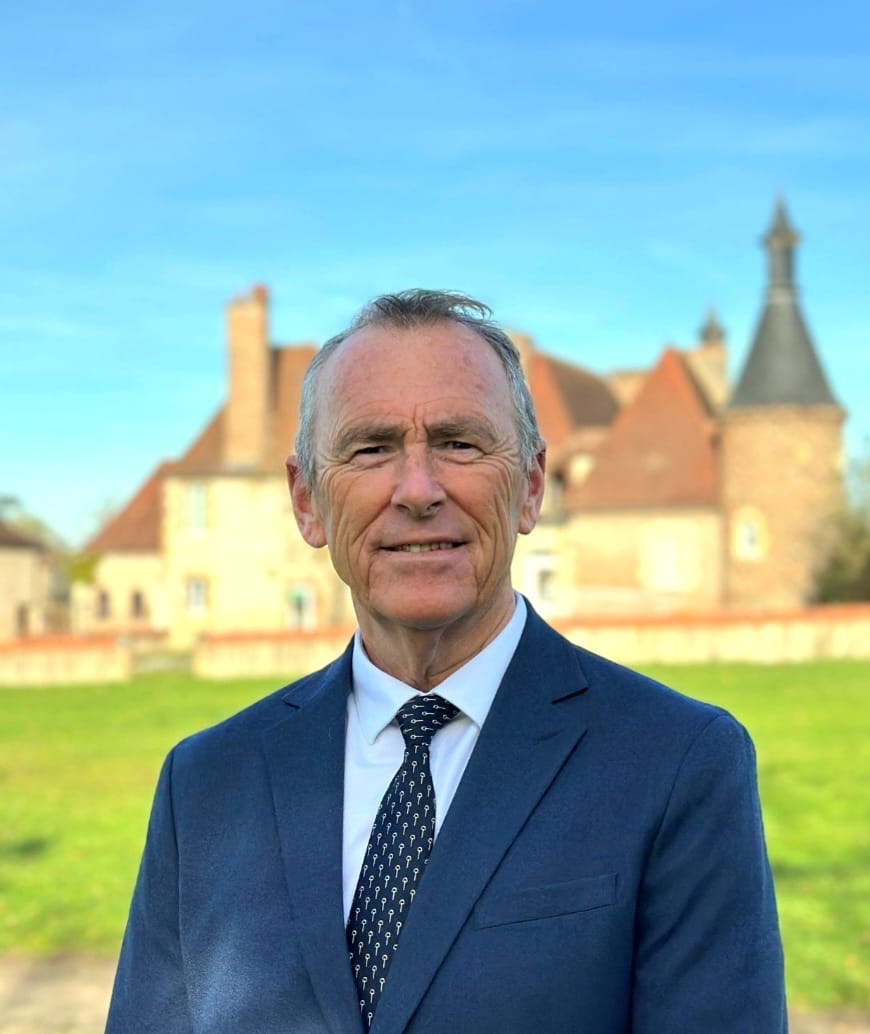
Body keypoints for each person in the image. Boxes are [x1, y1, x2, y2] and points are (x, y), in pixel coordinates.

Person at [106, 290, 787, 1033]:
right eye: (370, 449)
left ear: (530, 486)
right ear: (307, 502)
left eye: (460, 444)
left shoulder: (676, 762)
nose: (418, 490)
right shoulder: (206, 784)